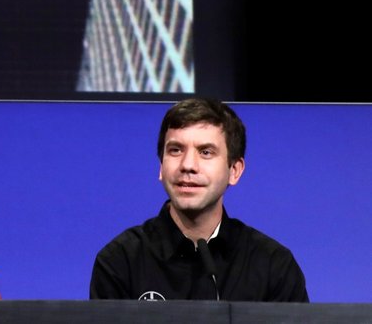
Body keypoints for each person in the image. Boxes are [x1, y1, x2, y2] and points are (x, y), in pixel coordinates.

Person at [89, 98, 308, 301]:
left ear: (234, 170)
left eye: (205, 152)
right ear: (161, 168)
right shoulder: (121, 261)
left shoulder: (273, 266)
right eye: (175, 150)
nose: (188, 165)